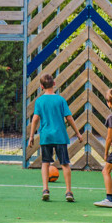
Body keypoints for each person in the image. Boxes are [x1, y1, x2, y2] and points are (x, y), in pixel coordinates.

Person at [27, 73, 83, 202]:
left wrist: (31, 136)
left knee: (45, 163)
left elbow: (35, 119)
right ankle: (69, 191)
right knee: (65, 164)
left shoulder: (39, 101)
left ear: (41, 86)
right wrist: (78, 133)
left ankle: (45, 189)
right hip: (60, 136)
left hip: (46, 136)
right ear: (54, 83)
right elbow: (69, 118)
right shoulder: (60, 100)